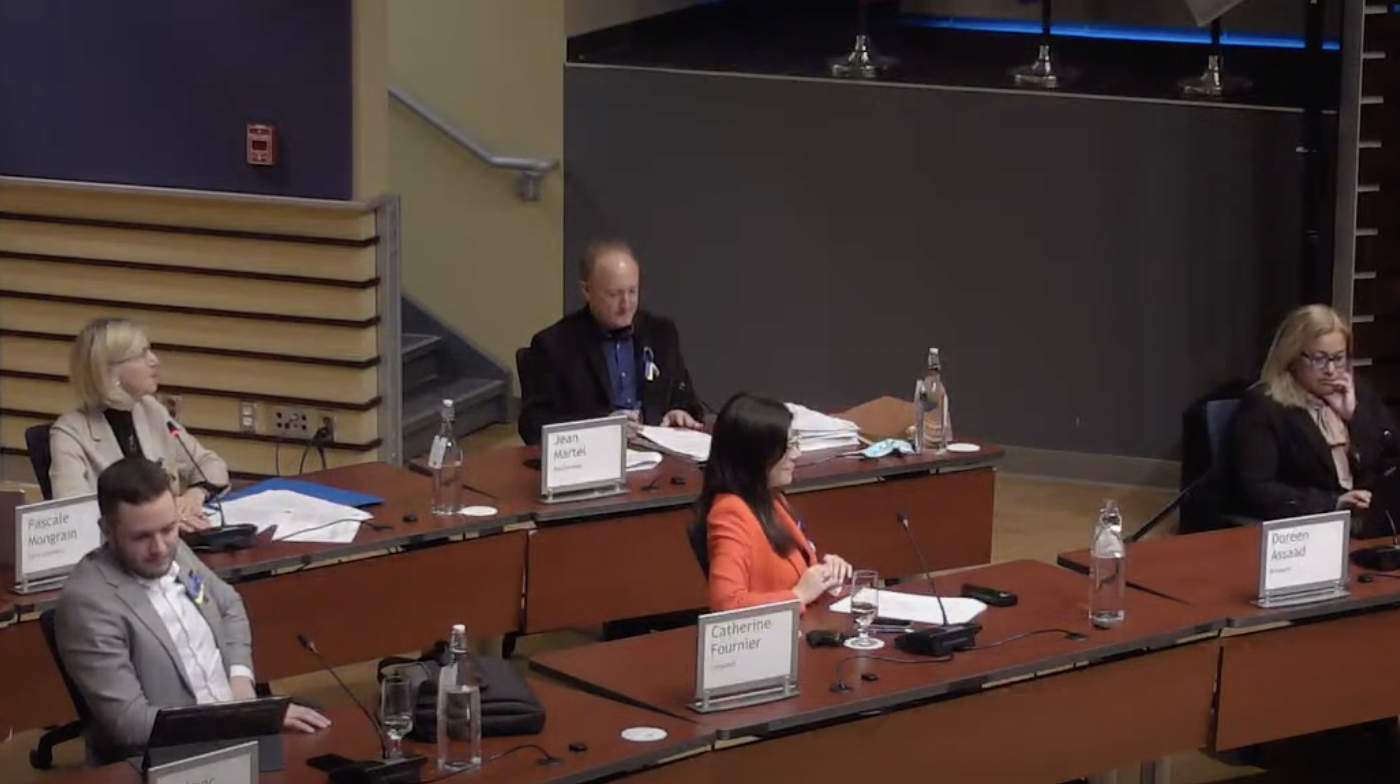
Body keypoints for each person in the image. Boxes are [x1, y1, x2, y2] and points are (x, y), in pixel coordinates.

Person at [54, 457, 329, 762]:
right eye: (141, 537)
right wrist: (247, 719)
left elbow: (229, 606)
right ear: (107, 530)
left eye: (168, 529)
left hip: (237, 732)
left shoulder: (178, 552)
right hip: (168, 758)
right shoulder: (88, 603)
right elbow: (131, 724)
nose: (160, 548)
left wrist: (240, 680)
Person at [1225, 304, 1398, 534]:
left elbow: (1391, 457)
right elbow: (1256, 488)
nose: (1331, 370)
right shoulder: (1265, 405)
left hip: (1372, 521)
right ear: (1292, 357)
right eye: (1319, 359)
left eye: (1339, 358)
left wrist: (1354, 417)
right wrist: (1334, 503)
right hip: (1310, 525)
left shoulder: (1359, 392)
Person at [518, 240, 706, 446]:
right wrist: (600, 427)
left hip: (657, 451)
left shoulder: (661, 333)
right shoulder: (554, 345)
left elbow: (686, 398)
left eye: (632, 291)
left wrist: (679, 412)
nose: (626, 305)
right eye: (614, 294)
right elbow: (533, 425)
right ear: (586, 290)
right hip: (593, 453)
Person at [50, 318, 227, 531]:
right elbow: (74, 519)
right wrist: (160, 521)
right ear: (110, 371)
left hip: (171, 541)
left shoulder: (150, 410)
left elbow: (210, 464)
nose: (154, 360)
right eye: (142, 354)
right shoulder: (69, 433)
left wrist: (194, 495)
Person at [694, 393, 854, 611]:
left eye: (794, 443)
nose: (796, 454)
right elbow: (726, 603)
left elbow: (797, 573)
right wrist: (798, 596)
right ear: (757, 455)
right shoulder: (730, 513)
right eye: (786, 447)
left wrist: (824, 574)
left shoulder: (773, 499)